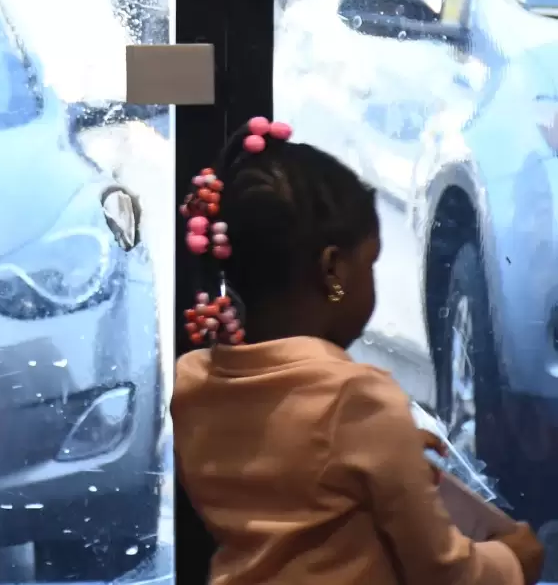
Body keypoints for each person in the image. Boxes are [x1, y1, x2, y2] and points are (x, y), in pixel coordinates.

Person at [171, 117, 546, 585]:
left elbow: (292, 470)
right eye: (370, 262)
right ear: (333, 270)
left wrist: (386, 453)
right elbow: (445, 572)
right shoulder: (356, 399)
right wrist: (515, 561)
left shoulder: (194, 381)